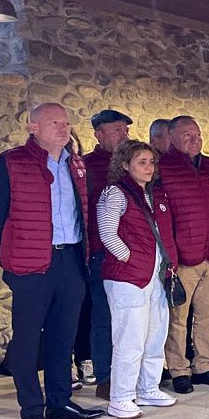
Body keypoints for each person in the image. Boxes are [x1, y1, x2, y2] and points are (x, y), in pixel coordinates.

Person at [0, 102, 106, 419]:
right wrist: (11, 256)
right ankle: (32, 411)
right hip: (30, 263)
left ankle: (60, 401)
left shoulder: (76, 165)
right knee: (27, 339)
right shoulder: (9, 163)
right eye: (54, 122)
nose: (63, 128)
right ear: (32, 127)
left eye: (66, 123)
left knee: (63, 335)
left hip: (71, 260)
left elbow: (84, 213)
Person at [96, 139, 180, 418]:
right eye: (141, 162)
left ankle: (148, 388)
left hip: (155, 277)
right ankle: (120, 397)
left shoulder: (155, 194)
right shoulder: (115, 193)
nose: (148, 167)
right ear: (124, 165)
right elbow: (107, 233)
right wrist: (129, 258)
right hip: (127, 278)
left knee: (155, 336)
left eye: (151, 162)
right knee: (129, 339)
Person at [156, 115, 209, 394]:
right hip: (184, 257)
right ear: (172, 137)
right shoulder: (163, 167)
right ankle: (178, 370)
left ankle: (203, 365)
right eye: (187, 135)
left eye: (198, 135)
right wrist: (170, 256)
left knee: (208, 314)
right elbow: (162, 217)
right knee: (178, 318)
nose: (195, 140)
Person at [82, 109, 132, 399]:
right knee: (104, 316)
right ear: (99, 134)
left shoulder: (134, 163)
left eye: (124, 129)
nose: (123, 134)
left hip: (135, 254)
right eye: (116, 130)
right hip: (102, 254)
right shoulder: (87, 167)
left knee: (133, 317)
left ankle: (131, 371)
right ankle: (105, 376)